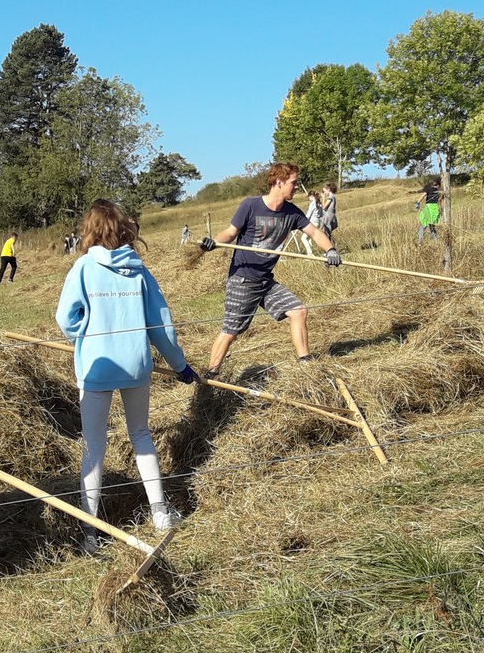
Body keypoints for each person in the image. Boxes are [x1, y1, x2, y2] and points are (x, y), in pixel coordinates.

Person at [55, 199, 197, 553]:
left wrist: (82, 337)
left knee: (94, 446)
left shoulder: (84, 267)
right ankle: (160, 513)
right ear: (122, 229)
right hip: (136, 366)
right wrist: (178, 363)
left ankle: (89, 532)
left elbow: (65, 317)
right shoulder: (139, 269)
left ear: (90, 229)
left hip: (96, 366)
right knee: (140, 434)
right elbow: (160, 324)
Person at [195, 162, 340, 378]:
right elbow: (230, 232)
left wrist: (330, 249)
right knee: (231, 330)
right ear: (279, 182)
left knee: (298, 312)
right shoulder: (250, 205)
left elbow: (314, 232)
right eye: (292, 183)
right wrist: (213, 243)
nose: (295, 187)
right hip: (243, 279)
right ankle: (211, 374)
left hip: (266, 281)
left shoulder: (291, 213)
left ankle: (306, 364)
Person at [416, 180, 441, 244]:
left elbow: (423, 195)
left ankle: (419, 242)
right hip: (435, 208)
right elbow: (440, 201)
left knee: (423, 225)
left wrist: (417, 203)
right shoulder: (439, 192)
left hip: (429, 207)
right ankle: (436, 242)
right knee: (432, 226)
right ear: (438, 185)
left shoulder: (429, 189)